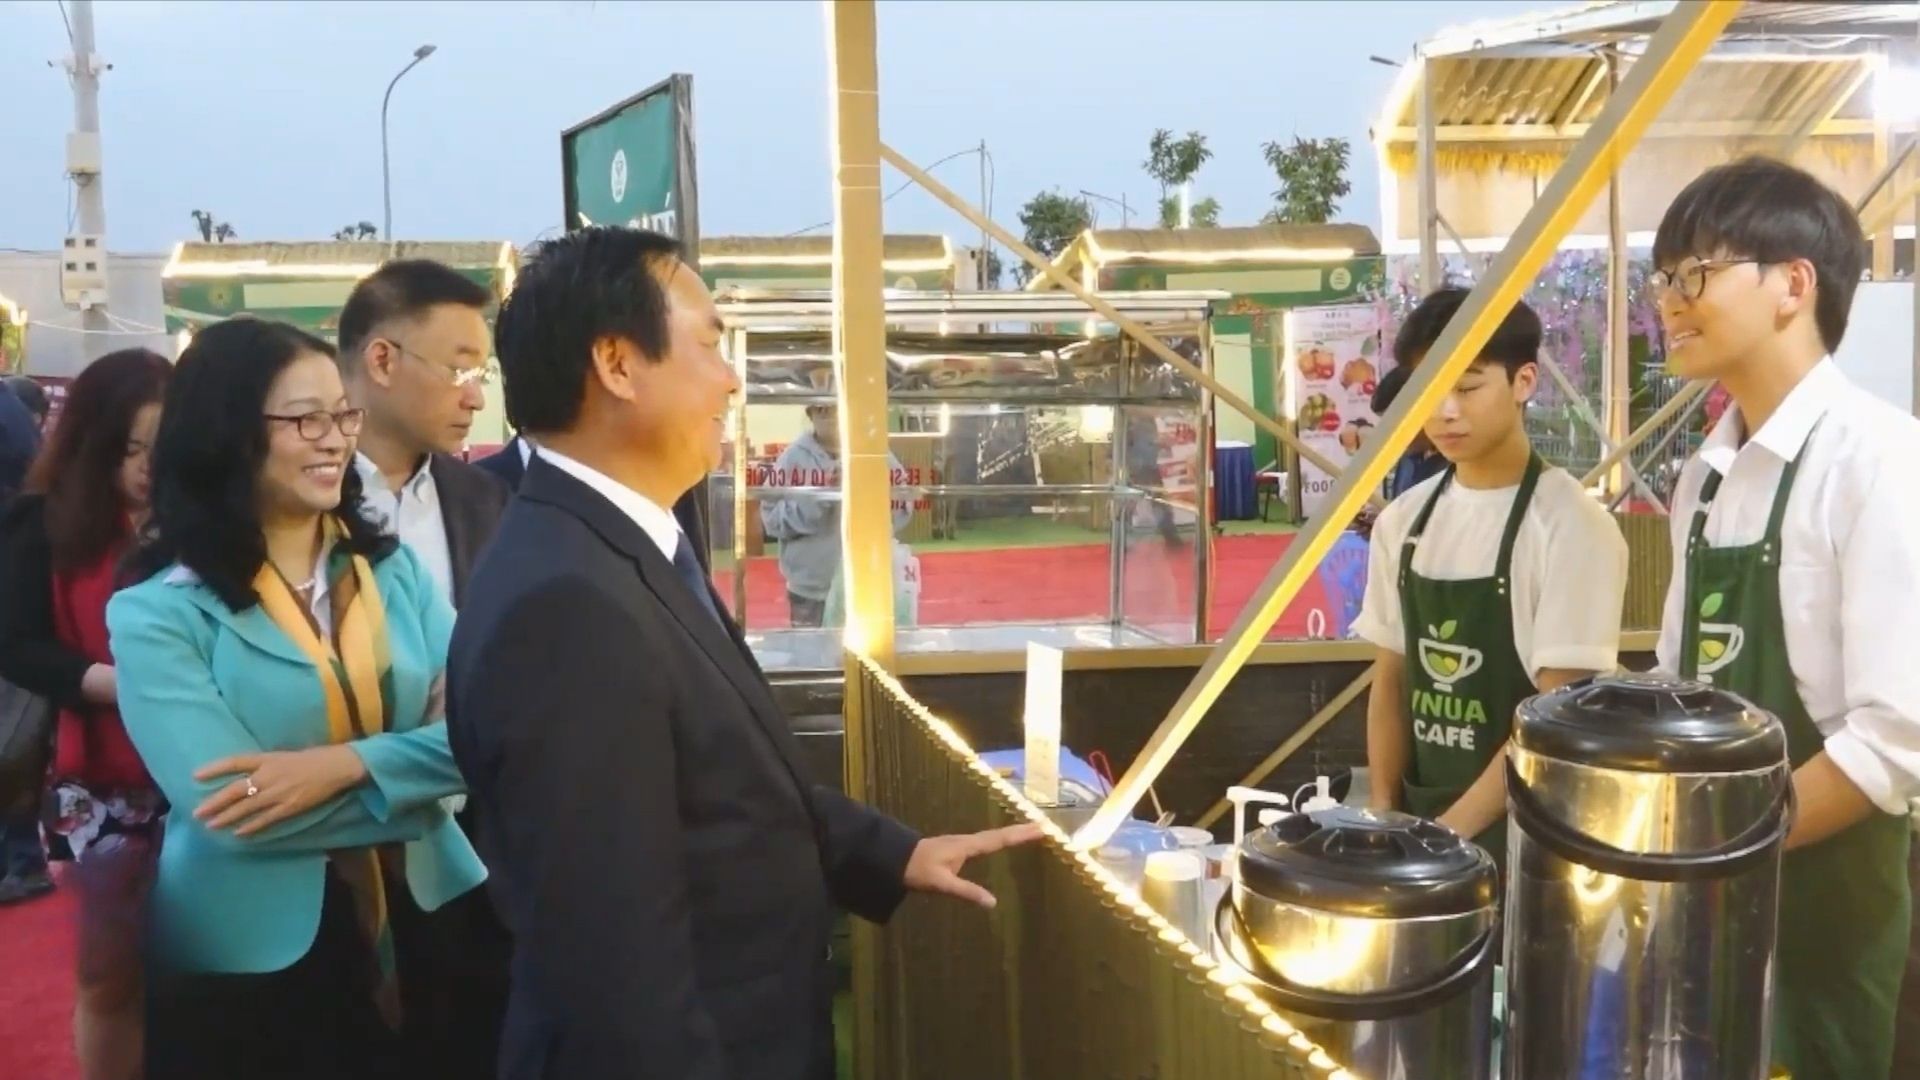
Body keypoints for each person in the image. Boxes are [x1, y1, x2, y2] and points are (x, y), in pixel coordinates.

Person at [447, 226, 1039, 1080]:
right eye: (710, 345)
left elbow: (720, 784)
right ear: (617, 364)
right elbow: (616, 976)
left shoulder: (623, 544)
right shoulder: (567, 607)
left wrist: (889, 853)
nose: (731, 380)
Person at [108, 318, 486, 1080]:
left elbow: (487, 730)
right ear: (227, 433)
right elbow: (230, 808)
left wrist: (342, 767)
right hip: (248, 954)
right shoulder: (157, 614)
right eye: (306, 419)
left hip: (431, 912)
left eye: (343, 415)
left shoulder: (394, 574)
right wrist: (427, 788)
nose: (335, 439)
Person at [1651, 156, 1920, 1080]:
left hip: (1827, 913)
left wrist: (1715, 848)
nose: (1669, 301)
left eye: (1695, 273)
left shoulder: (1879, 460)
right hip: (1706, 902)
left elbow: (1895, 740)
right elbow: (1675, 693)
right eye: (1663, 277)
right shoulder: (1703, 480)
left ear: (1793, 286)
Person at [1355, 288, 1628, 868]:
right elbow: (1391, 681)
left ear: (1523, 381)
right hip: (1421, 833)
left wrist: (1447, 838)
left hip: (1532, 841)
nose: (1444, 411)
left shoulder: (1574, 527)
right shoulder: (1403, 521)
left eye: (1468, 387)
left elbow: (1554, 721)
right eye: (1427, 390)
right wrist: (1384, 816)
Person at [335, 259, 513, 1078]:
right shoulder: (285, 500)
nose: (475, 396)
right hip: (335, 847)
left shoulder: (486, 500)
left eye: (483, 373)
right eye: (460, 368)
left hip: (472, 849)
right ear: (381, 360)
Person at [0, 349, 166, 1079]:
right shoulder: (42, 522)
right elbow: (17, 643)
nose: (147, 467)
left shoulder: (207, 525)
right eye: (128, 448)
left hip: (208, 779)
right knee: (109, 973)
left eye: (161, 446)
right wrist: (115, 684)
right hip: (102, 786)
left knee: (211, 967)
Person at [760, 403, 911, 628]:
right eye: (821, 410)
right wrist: (818, 498)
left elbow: (903, 506)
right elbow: (771, 520)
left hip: (865, 586)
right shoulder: (791, 459)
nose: (830, 417)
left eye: (835, 409)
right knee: (811, 650)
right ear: (810, 414)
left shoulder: (875, 454)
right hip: (811, 591)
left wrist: (867, 491)